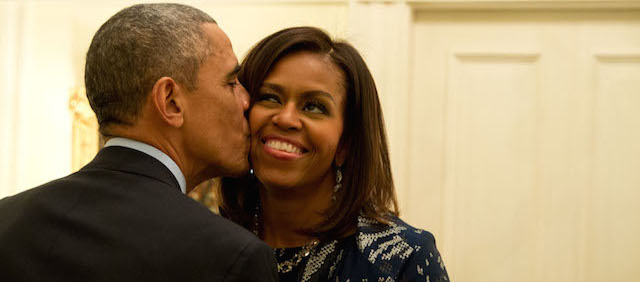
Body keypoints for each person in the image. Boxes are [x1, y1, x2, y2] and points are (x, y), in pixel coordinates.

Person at [0, 4, 277, 281]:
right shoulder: (232, 257)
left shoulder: (7, 220)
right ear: (171, 102)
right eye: (231, 83)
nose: (245, 100)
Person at [218, 26, 449, 281]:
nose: (286, 118)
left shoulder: (401, 258)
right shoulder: (210, 243)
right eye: (270, 98)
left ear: (346, 143)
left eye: (314, 106)